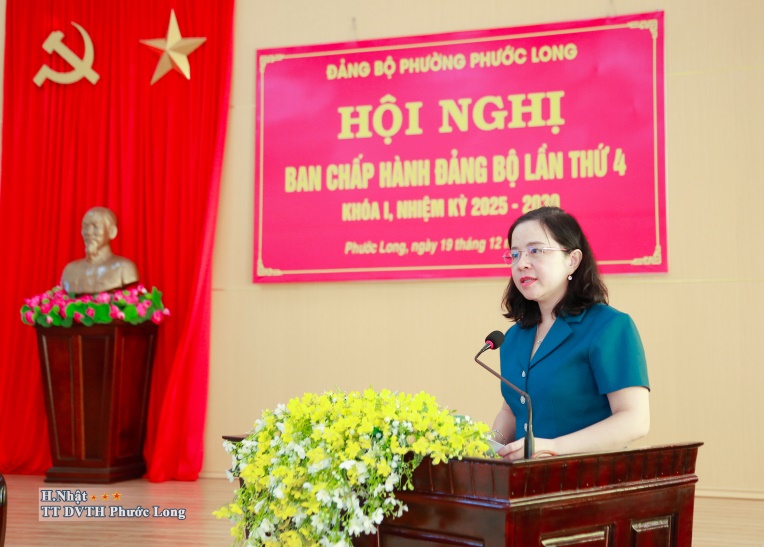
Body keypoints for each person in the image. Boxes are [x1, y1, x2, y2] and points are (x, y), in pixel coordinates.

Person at [491, 207, 650, 461]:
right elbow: (511, 410)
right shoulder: (513, 337)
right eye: (515, 254)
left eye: (535, 251)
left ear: (572, 260)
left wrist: (553, 447)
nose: (521, 264)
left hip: (588, 477)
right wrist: (489, 445)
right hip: (525, 480)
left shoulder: (609, 327)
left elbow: (634, 420)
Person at [60, 207, 139, 294]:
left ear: (112, 232)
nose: (88, 232)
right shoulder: (70, 270)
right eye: (85, 226)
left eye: (95, 227)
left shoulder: (124, 268)